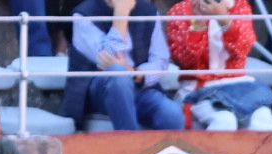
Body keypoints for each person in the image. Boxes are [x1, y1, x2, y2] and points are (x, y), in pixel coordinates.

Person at [65, 0, 184, 132]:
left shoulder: (148, 11)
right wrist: (121, 15)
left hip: (138, 85)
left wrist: (136, 73)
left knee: (173, 115)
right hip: (99, 91)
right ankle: (131, 143)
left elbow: (160, 60)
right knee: (117, 73)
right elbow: (107, 57)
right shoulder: (83, 15)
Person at [165, 0, 272, 130]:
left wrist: (224, 20)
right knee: (225, 119)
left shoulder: (240, 6)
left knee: (262, 117)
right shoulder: (180, 10)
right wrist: (198, 22)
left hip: (238, 84)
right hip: (199, 88)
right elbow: (184, 60)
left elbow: (242, 50)